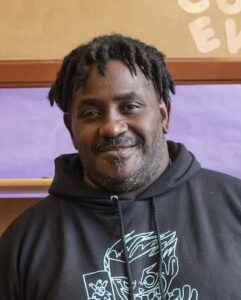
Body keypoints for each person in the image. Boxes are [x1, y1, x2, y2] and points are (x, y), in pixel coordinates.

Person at [0, 34, 241, 300]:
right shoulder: (24, 242)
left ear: (163, 115)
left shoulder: (234, 207)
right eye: (91, 113)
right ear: (71, 128)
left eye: (130, 107)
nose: (112, 127)